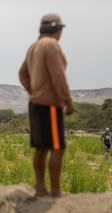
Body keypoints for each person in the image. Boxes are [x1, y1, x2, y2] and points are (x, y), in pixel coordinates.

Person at [19, 13, 73, 198]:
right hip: (50, 105)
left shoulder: (33, 47)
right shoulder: (51, 45)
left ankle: (40, 187)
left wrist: (33, 91)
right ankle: (56, 191)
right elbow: (58, 76)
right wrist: (67, 100)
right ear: (57, 30)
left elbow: (22, 74)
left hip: (35, 104)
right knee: (57, 147)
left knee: (41, 147)